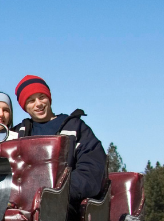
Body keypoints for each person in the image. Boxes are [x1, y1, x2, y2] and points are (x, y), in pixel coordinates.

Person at [12, 75, 108, 203]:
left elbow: (92, 169)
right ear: (24, 106)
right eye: (31, 101)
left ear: (49, 98)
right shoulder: (18, 134)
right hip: (24, 202)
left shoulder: (75, 128)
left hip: (65, 202)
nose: (38, 104)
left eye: (42, 97)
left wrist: (59, 191)